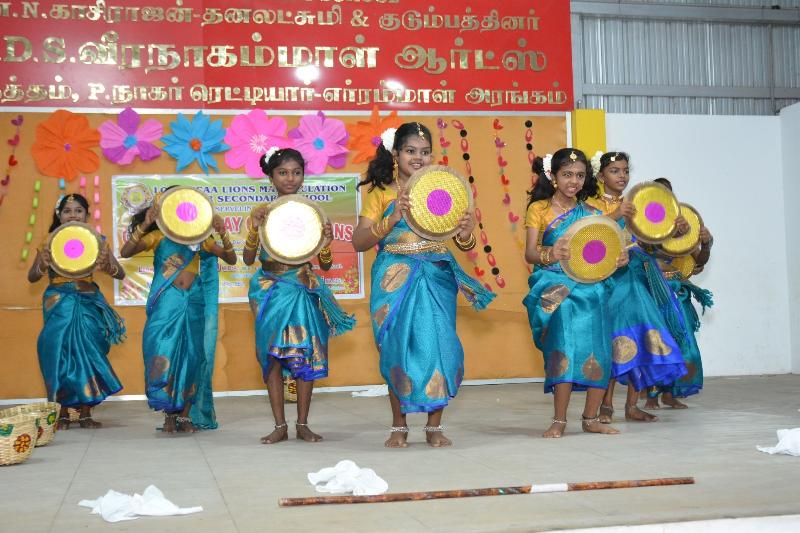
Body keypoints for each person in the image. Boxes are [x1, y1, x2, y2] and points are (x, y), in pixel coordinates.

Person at [352, 122, 495, 448]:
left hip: (435, 275)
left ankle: (434, 427)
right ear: (395, 154)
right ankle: (398, 426)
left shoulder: (442, 189)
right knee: (396, 348)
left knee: (439, 346)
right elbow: (359, 242)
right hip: (393, 277)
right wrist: (392, 218)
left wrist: (465, 232)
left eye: (424, 151)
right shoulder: (379, 193)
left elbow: (463, 242)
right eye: (410, 151)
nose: (418, 157)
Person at [243, 148, 355, 444]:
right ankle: (280, 425)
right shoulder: (262, 214)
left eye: (296, 172)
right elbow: (247, 258)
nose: (290, 178)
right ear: (270, 176)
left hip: (303, 286)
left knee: (306, 352)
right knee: (273, 356)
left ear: (303, 175)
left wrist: (327, 242)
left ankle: (303, 424)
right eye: (283, 172)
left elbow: (326, 264)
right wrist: (254, 229)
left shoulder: (312, 214)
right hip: (269, 289)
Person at [523, 148, 629, 438]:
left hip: (591, 288)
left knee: (599, 349)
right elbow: (530, 254)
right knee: (564, 349)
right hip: (557, 288)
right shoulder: (539, 209)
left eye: (580, 175)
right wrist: (551, 253)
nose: (574, 181)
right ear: (553, 176)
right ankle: (559, 420)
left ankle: (591, 418)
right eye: (567, 174)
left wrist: (620, 259)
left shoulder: (593, 215)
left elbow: (607, 251)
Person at [119, 188, 237, 433]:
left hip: (193, 301)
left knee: (192, 355)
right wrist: (147, 224)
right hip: (166, 302)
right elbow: (126, 252)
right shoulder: (158, 237)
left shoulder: (200, 239)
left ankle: (184, 415)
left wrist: (223, 232)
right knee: (163, 353)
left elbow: (230, 258)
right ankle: (168, 413)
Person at [587, 152, 688, 423]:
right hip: (607, 279)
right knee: (612, 339)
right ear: (600, 177)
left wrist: (676, 228)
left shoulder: (640, 202)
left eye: (624, 170)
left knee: (644, 335)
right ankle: (605, 405)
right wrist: (616, 214)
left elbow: (654, 236)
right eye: (614, 171)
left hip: (635, 276)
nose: (622, 176)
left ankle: (631, 405)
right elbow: (590, 236)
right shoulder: (590, 204)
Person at [28, 194, 126, 429]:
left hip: (88, 302)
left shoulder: (97, 241)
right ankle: (61, 412)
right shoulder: (49, 241)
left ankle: (85, 413)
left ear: (86, 214)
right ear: (59, 215)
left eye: (78, 210)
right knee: (58, 353)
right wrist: (42, 262)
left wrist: (107, 265)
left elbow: (120, 273)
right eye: (67, 211)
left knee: (90, 354)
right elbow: (32, 277)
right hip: (58, 303)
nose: (73, 214)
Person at [644, 177, 714, 409]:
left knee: (683, 343)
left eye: (668, 194)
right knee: (657, 342)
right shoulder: (644, 224)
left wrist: (706, 244)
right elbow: (640, 251)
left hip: (677, 290)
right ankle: (652, 394)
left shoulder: (683, 223)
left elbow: (699, 260)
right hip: (653, 291)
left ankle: (671, 393)